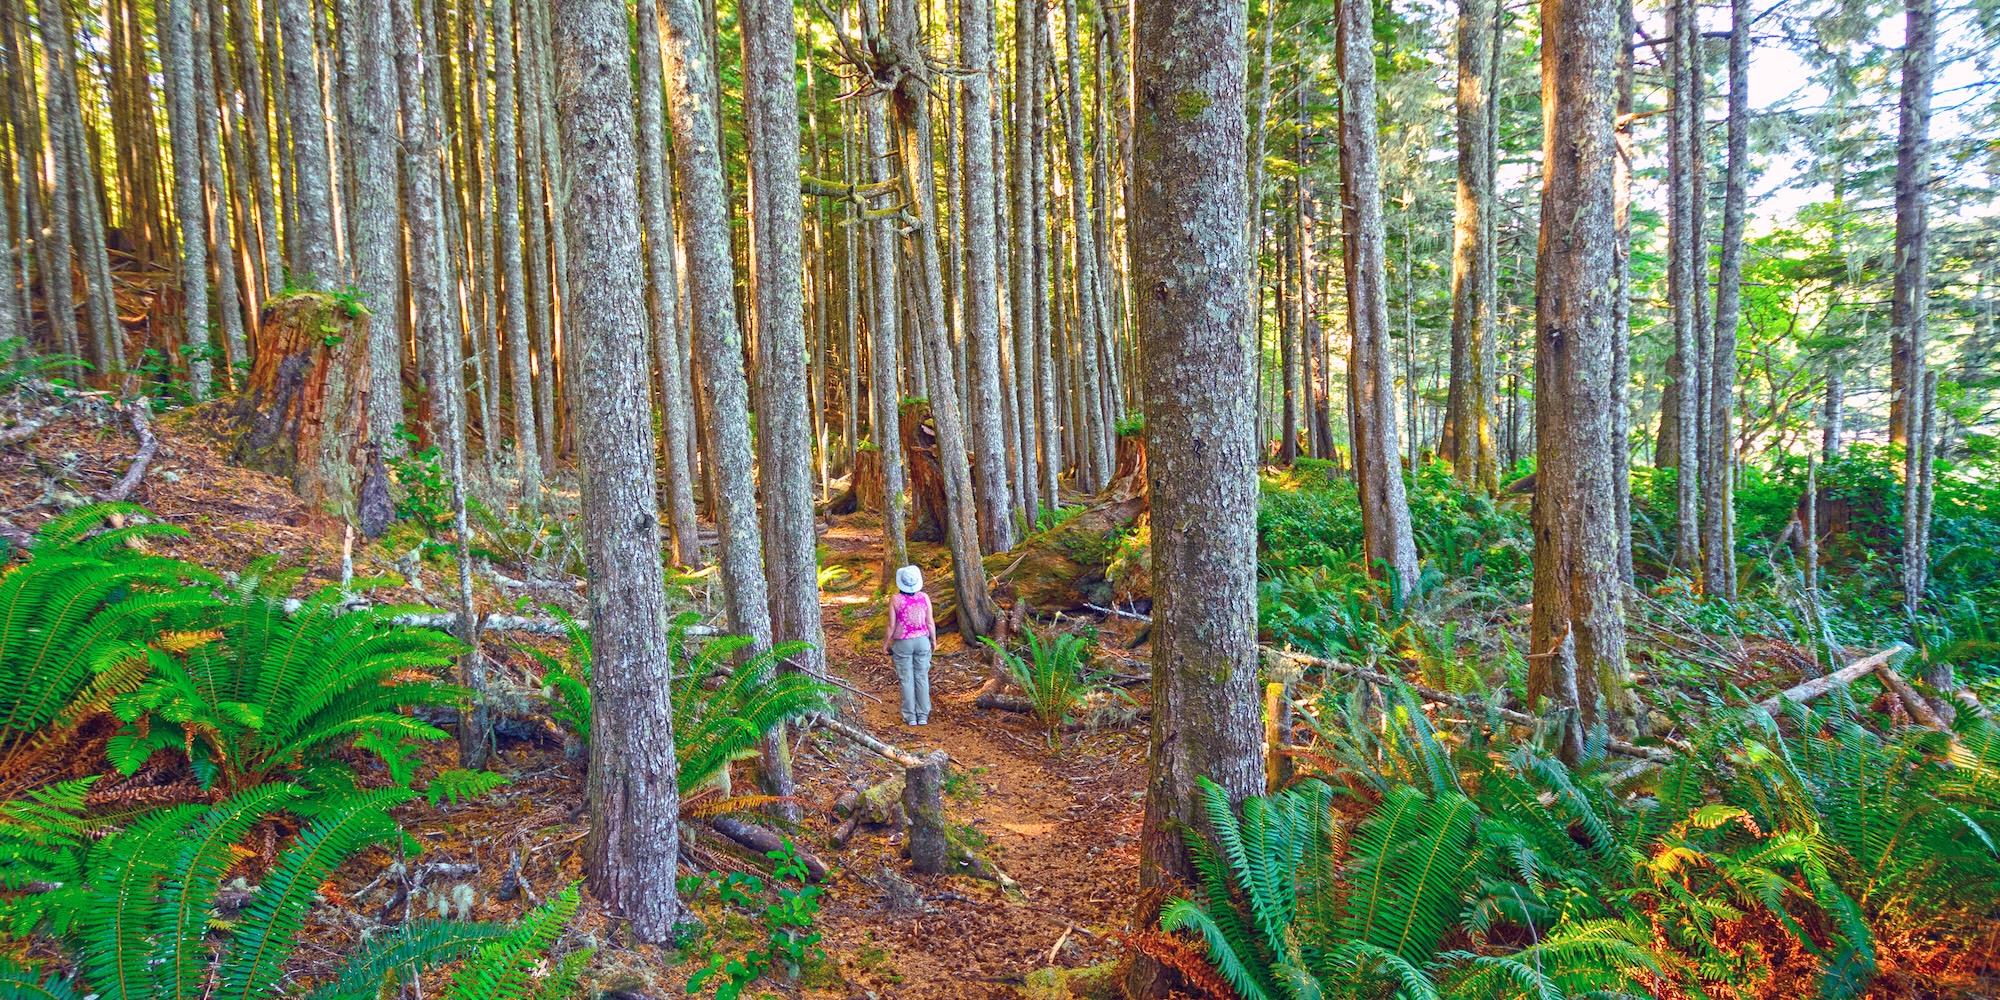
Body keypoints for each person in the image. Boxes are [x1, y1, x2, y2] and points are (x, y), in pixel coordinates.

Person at [884, 564, 936, 726]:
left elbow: (891, 625)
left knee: (906, 678)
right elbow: (930, 622)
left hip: (903, 643)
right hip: (922, 641)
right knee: (921, 677)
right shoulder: (924, 597)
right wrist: (933, 640)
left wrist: (885, 644)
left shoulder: (895, 599)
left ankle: (910, 716)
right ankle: (923, 714)